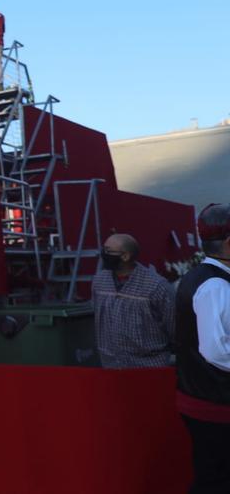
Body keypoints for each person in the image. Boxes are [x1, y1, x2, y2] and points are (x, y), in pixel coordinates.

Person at [176, 204, 230, 492]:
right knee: (217, 479)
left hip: (202, 396)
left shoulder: (200, 277)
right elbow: (216, 351)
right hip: (214, 402)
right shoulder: (215, 286)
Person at [92, 234, 175, 369]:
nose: (103, 254)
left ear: (125, 256)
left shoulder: (156, 286)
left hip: (148, 367)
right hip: (111, 365)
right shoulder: (99, 281)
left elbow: (173, 325)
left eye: (108, 251)